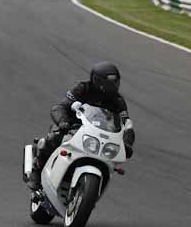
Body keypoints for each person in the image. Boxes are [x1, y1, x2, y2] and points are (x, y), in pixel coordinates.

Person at [27, 61, 135, 190]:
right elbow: (60, 106)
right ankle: (36, 170)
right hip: (73, 126)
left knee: (110, 158)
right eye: (110, 82)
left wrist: (127, 143)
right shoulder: (82, 88)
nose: (114, 85)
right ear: (98, 81)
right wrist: (63, 122)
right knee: (55, 136)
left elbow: (126, 123)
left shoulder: (118, 100)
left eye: (115, 82)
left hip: (101, 133)